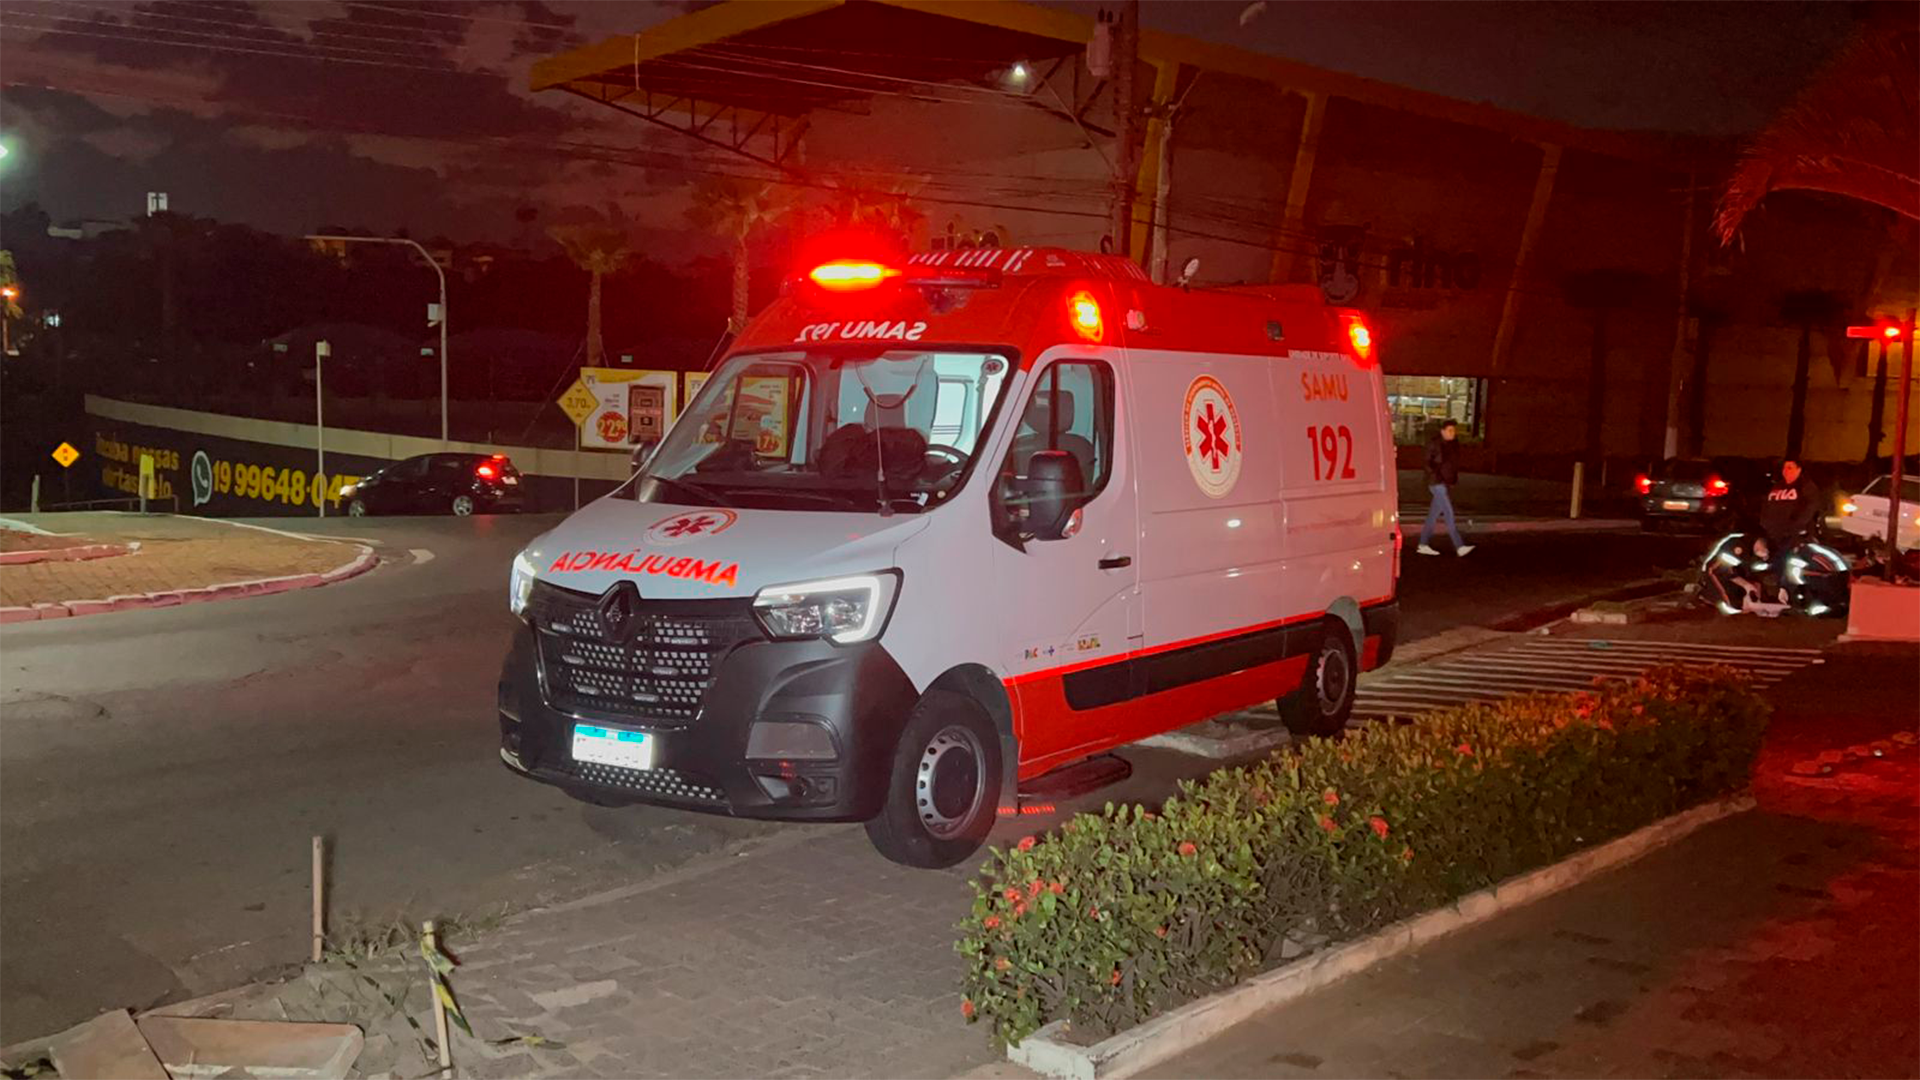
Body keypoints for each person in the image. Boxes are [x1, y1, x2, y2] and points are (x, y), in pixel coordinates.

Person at [1418, 420, 1474, 556]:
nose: (1452, 433)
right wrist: (1436, 475)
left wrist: (1452, 480)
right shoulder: (1435, 443)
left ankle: (1423, 544)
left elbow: (1453, 465)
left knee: (1433, 515)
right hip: (1436, 483)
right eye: (1449, 430)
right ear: (1442, 431)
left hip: (1445, 483)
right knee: (1449, 513)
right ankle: (1459, 546)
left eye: (1453, 430)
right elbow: (1427, 462)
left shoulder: (1453, 444)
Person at [1758, 458, 1821, 546]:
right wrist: (1765, 524)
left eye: (1789, 468)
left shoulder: (1806, 486)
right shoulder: (1777, 486)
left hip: (1794, 536)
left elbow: (1810, 507)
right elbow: (1766, 505)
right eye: (1784, 468)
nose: (1785, 470)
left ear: (1798, 470)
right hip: (1773, 534)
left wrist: (1795, 526)